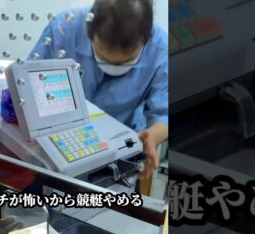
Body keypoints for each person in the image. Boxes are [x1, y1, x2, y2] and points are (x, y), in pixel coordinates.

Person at [30, 0, 168, 179]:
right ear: (91, 32)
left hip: (118, 148)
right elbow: (29, 84)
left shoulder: (161, 50)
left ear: (145, 39)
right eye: (103, 57)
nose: (113, 67)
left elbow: (164, 113)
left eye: (124, 62)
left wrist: (152, 136)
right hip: (58, 143)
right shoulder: (64, 29)